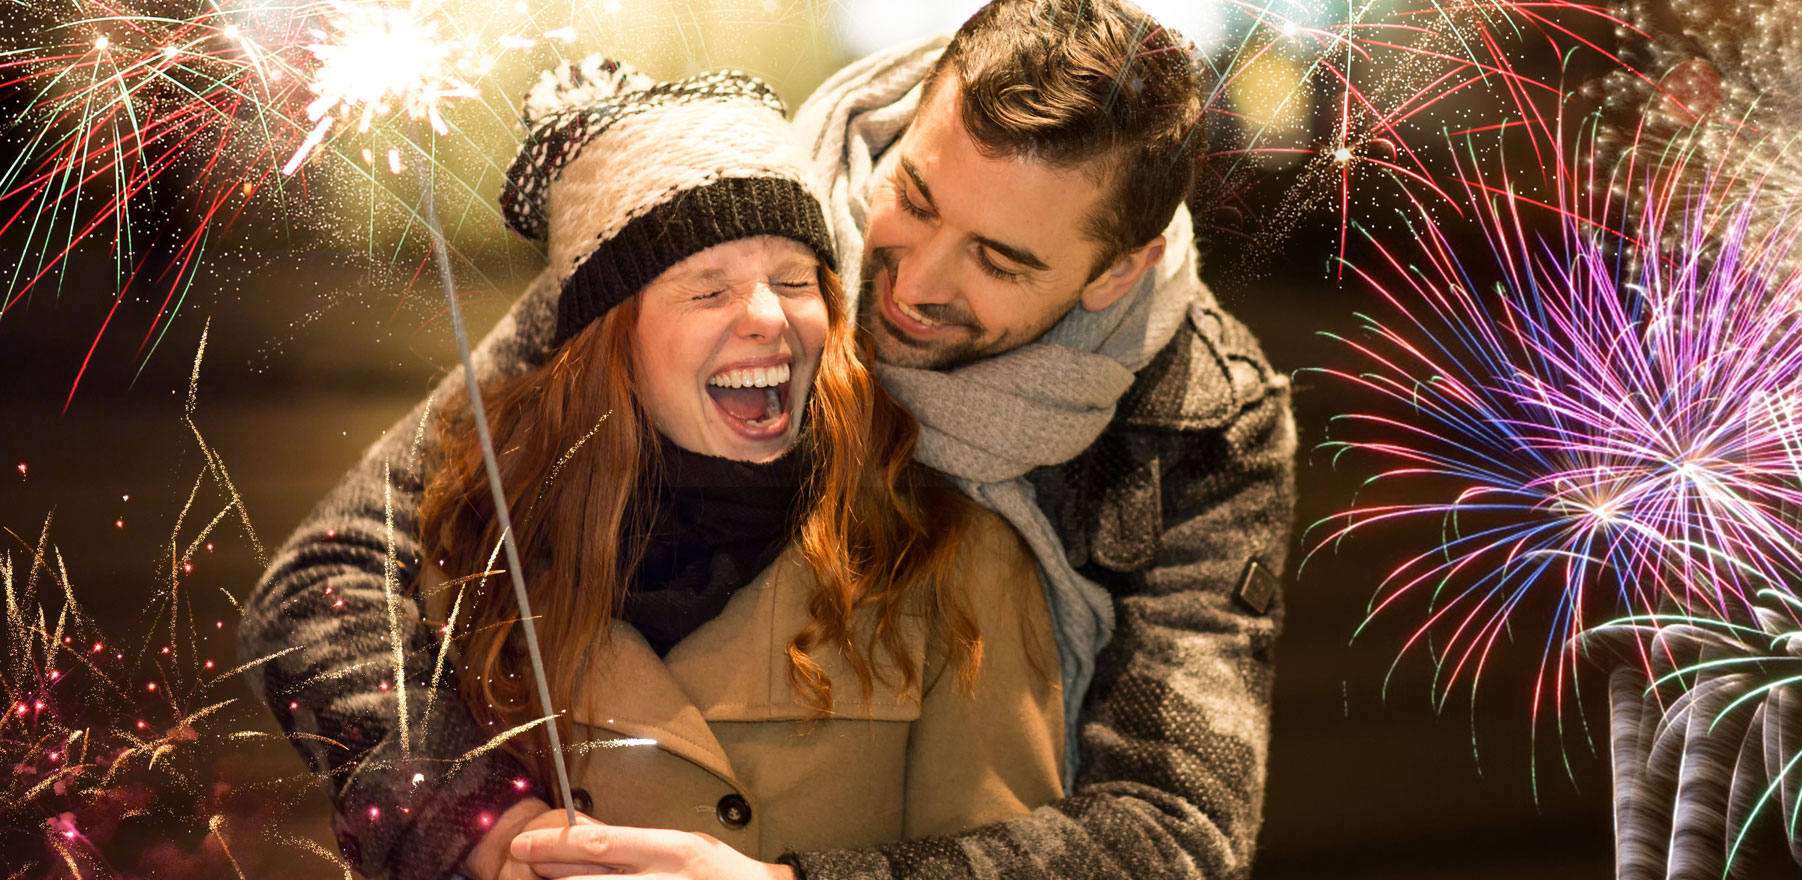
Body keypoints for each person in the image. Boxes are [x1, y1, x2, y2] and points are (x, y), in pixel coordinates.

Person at [242, 0, 1298, 877]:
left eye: (1001, 261)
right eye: (914, 198)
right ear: (909, 113)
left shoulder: (1201, 415)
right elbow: (336, 578)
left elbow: (1177, 829)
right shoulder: (726, 208)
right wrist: (471, 821)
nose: (914, 286)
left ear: (1115, 271)